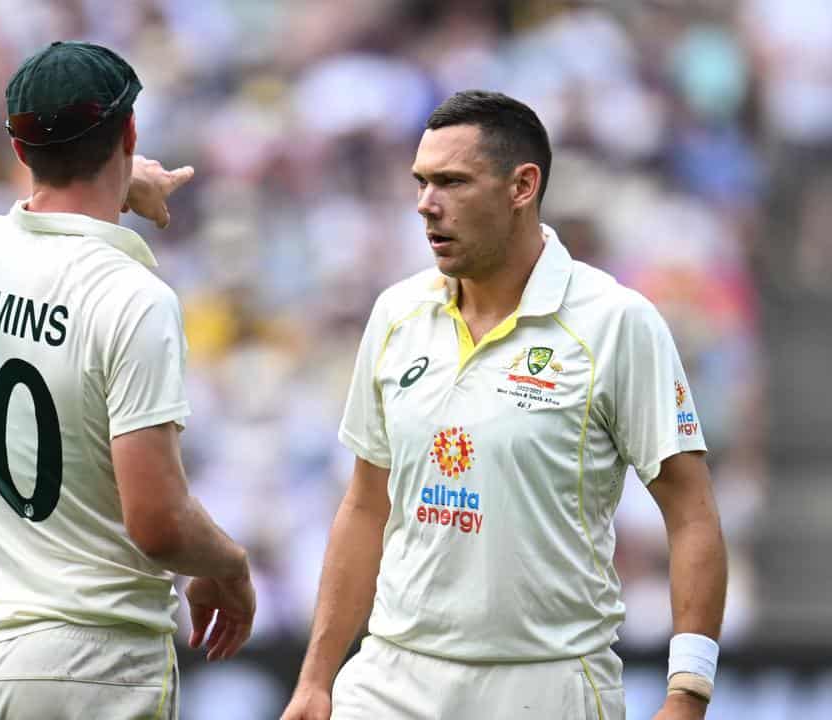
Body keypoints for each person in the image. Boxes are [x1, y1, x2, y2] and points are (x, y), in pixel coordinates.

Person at [280, 91, 727, 720]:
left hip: (546, 681)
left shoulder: (616, 322)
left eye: (452, 182)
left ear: (522, 186)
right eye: (421, 182)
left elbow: (692, 515)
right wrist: (317, 677)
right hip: (392, 678)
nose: (425, 204)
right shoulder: (395, 313)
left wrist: (689, 691)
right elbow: (365, 504)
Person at [0, 41, 255, 720]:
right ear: (130, 135)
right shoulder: (133, 299)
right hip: (89, 668)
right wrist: (228, 563)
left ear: (20, 150)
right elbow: (158, 524)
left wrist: (114, 183)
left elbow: (48, 232)